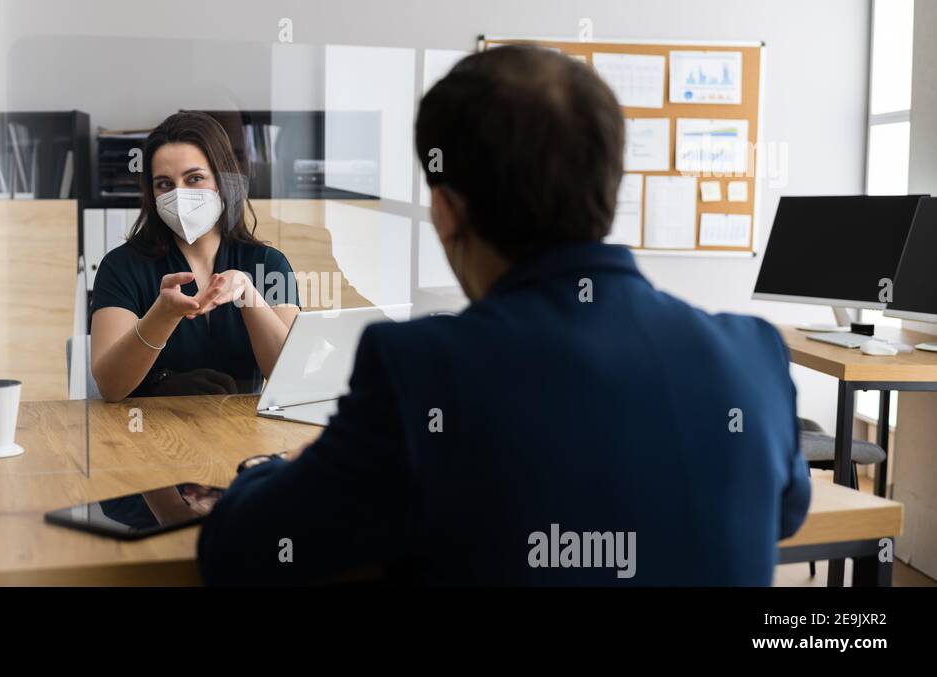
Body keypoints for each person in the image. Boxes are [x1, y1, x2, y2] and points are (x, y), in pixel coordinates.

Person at [197, 45, 810, 585]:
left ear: (446, 211)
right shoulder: (753, 353)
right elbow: (786, 511)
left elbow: (240, 553)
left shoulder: (421, 369)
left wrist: (273, 467)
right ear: (609, 183)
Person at [90, 112, 300, 401]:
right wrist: (162, 315)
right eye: (164, 184)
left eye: (194, 178)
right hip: (143, 435)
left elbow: (291, 380)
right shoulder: (121, 267)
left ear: (223, 181)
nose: (179, 194)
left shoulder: (270, 264)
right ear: (151, 193)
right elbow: (110, 387)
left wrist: (248, 294)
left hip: (242, 434)